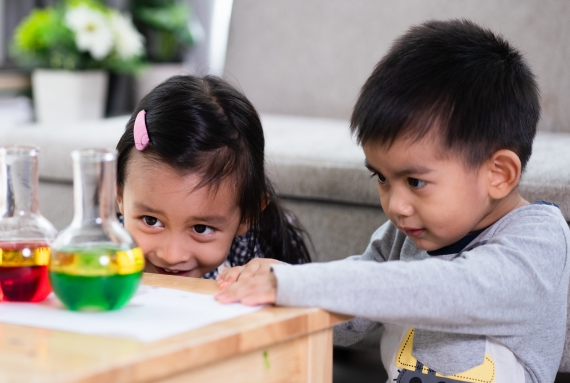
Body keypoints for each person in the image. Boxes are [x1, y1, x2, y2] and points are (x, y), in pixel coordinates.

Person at [215, 19, 570, 382]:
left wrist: (301, 283)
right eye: (382, 177)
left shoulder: (538, 239)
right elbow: (352, 318)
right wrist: (278, 295)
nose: (396, 205)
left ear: (498, 174)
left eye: (415, 181)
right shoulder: (402, 236)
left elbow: (449, 291)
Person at [115, 75, 311, 279]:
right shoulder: (101, 259)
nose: (172, 255)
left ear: (248, 215)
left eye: (200, 229)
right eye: (151, 220)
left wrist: (286, 286)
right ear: (119, 195)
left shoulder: (265, 252)